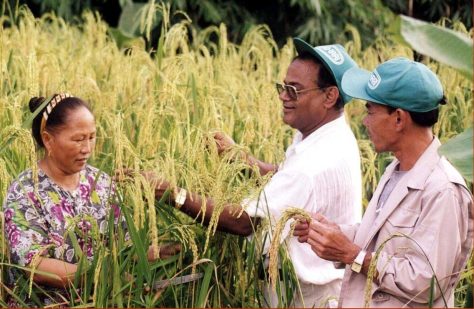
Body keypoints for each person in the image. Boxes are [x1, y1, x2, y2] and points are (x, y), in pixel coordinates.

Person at [140, 38, 363, 307]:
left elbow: (244, 222)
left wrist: (173, 194)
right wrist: (241, 159)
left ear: (330, 96)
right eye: (283, 87)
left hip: (306, 298)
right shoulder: (328, 134)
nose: (283, 96)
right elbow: (284, 178)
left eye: (294, 90)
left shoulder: (315, 163)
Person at [294, 57, 474, 307]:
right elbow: (383, 240)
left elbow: (428, 283)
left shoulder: (443, 190)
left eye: (370, 110)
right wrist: (334, 233)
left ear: (399, 119)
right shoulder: (396, 170)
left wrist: (352, 255)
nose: (364, 121)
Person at [3, 94, 179, 307]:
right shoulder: (25, 192)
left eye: (92, 137)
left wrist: (158, 253)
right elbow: (34, 266)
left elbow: (122, 248)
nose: (87, 148)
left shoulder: (100, 183)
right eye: (78, 139)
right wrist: (98, 273)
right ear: (48, 140)